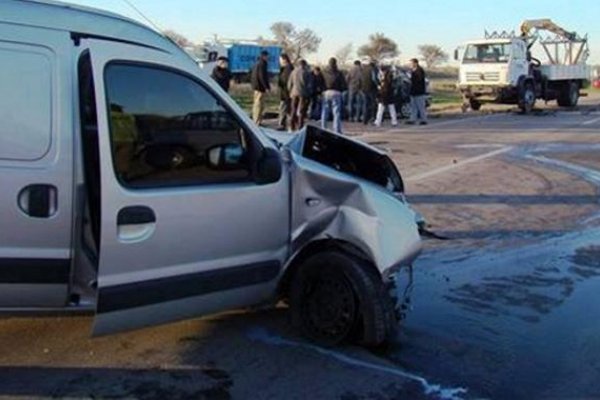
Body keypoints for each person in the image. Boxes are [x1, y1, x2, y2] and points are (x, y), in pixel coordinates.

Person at [321, 58, 347, 134]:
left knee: (325, 111)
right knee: (336, 112)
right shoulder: (339, 73)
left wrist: (322, 90)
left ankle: (323, 127)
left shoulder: (324, 72)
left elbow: (321, 81)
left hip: (326, 92)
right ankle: (337, 130)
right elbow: (343, 83)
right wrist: (341, 90)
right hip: (336, 92)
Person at [288, 59, 312, 131]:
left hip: (294, 93)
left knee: (293, 109)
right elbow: (310, 85)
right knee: (301, 111)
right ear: (304, 65)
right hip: (303, 94)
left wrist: (290, 91)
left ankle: (291, 126)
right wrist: (309, 93)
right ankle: (300, 126)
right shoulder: (307, 73)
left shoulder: (293, 72)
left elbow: (289, 84)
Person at [250, 51, 270, 125]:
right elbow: (262, 76)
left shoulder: (257, 63)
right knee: (259, 105)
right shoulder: (262, 64)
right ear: (264, 56)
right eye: (267, 56)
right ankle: (257, 121)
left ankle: (257, 120)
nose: (268, 58)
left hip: (256, 86)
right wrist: (266, 87)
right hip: (260, 87)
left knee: (257, 104)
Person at [407, 58, 428, 125]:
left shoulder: (419, 70)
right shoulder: (412, 71)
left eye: (411, 63)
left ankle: (424, 120)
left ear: (415, 63)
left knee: (421, 106)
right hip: (413, 91)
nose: (410, 65)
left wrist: (411, 76)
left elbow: (419, 80)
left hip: (419, 92)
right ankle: (412, 119)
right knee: (413, 107)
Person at [277, 53, 293, 131]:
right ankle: (286, 124)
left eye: (280, 60)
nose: (279, 61)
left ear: (284, 60)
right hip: (284, 92)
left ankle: (282, 124)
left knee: (284, 108)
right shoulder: (285, 68)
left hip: (286, 93)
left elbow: (286, 81)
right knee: (286, 108)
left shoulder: (288, 69)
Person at [360, 60, 379, 125]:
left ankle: (365, 119)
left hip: (364, 89)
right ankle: (373, 118)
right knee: (373, 104)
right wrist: (378, 85)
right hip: (372, 89)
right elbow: (374, 79)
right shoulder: (373, 69)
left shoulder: (364, 70)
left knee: (366, 104)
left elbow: (361, 79)